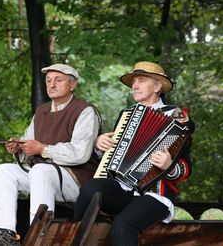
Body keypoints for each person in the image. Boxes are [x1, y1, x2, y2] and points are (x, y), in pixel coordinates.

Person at [74, 61, 195, 246]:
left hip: (155, 194)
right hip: (123, 189)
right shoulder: (126, 114)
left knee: (123, 225)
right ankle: (72, 237)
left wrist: (169, 165)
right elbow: (113, 157)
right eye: (133, 82)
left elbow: (185, 169)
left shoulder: (177, 117)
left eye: (140, 80)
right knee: (90, 189)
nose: (134, 86)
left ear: (157, 86)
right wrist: (100, 145)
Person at [0, 64, 101, 246]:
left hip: (76, 181)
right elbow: (28, 143)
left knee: (40, 170)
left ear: (72, 85)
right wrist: (19, 148)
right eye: (48, 81)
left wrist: (43, 149)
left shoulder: (85, 111)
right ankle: (8, 235)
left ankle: (38, 236)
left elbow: (80, 154)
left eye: (58, 80)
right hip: (43, 177)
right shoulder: (41, 111)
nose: (51, 84)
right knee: (4, 170)